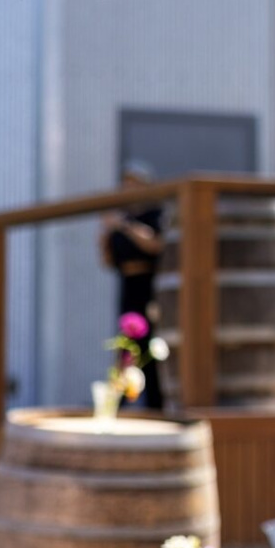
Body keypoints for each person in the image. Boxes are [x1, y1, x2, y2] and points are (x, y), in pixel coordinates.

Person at [100, 164, 167, 411]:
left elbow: (155, 245)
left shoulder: (151, 215)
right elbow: (107, 260)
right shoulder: (119, 219)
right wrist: (106, 232)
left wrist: (124, 225)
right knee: (125, 348)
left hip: (147, 285)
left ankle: (155, 407)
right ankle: (115, 406)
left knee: (148, 347)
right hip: (126, 285)